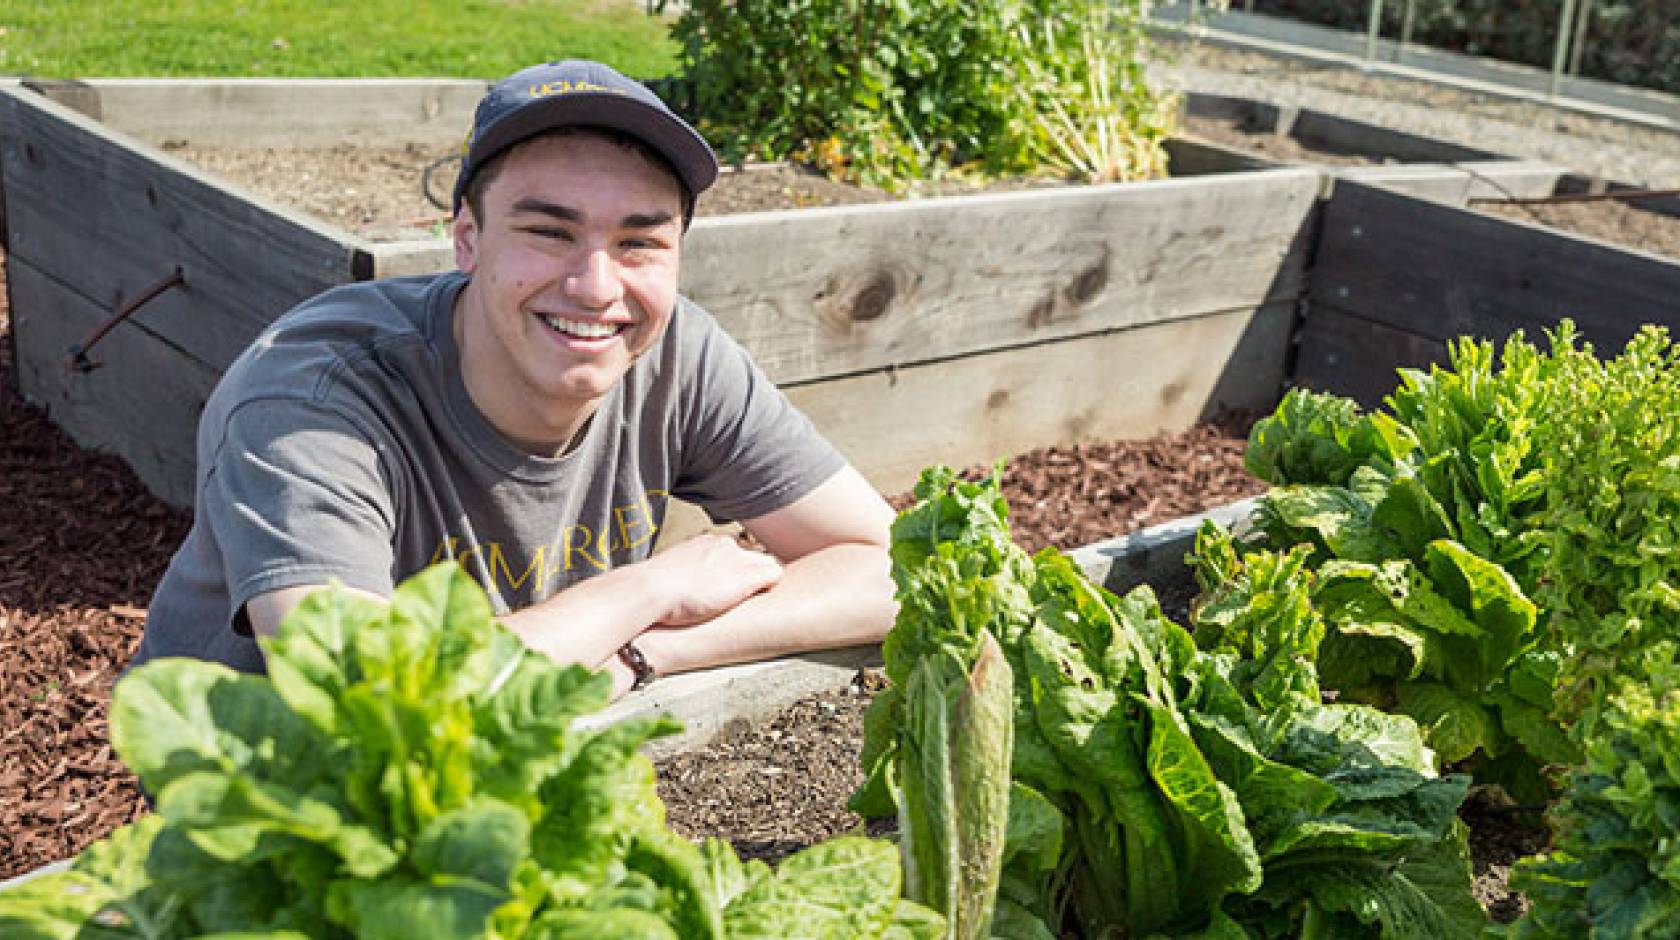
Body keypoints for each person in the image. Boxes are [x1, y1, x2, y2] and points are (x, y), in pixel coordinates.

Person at [131, 60, 898, 697]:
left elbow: (892, 569)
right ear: (467, 239)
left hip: (515, 746)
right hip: (276, 819)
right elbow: (362, 698)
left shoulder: (676, 358)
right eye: (549, 232)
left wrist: (645, 653)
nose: (597, 286)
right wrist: (646, 591)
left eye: (639, 243)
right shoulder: (313, 399)